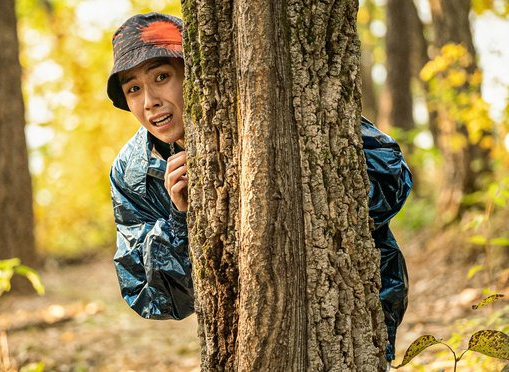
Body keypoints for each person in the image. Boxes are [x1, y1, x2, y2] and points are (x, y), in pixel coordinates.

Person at [107, 13, 412, 363]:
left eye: (162, 77)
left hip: (347, 307)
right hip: (242, 333)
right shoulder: (131, 172)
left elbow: (392, 178)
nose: (149, 101)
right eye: (134, 89)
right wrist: (181, 219)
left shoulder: (267, 103)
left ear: (193, 74)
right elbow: (151, 297)